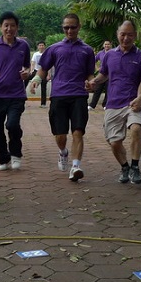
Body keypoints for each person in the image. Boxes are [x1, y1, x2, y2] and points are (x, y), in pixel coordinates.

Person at [86, 21, 141, 184]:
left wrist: (140, 98)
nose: (126, 38)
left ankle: (135, 167)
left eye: (130, 34)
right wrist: (94, 82)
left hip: (134, 102)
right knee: (114, 142)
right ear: (117, 35)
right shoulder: (110, 55)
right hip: (113, 104)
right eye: (123, 34)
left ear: (135, 36)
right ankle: (125, 166)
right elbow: (104, 74)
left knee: (137, 129)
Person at [31, 13, 95, 181]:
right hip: (59, 95)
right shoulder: (54, 48)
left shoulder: (87, 50)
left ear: (78, 27)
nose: (69, 30)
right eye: (66, 27)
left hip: (79, 96)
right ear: (63, 28)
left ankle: (75, 167)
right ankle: (63, 152)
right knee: (60, 135)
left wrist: (91, 82)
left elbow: (89, 74)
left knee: (78, 132)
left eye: (73, 27)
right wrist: (36, 80)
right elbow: (43, 68)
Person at [0, 11, 31, 170]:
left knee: (12, 124)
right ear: (1, 27)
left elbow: (27, 66)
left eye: (13, 25)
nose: (9, 29)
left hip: (16, 94)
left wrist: (27, 73)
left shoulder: (23, 45)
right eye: (6, 25)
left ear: (17, 28)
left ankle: (16, 154)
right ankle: (3, 158)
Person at [88, 40, 112, 110]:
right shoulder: (100, 53)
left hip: (110, 75)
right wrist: (97, 68)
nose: (107, 46)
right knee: (98, 89)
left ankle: (105, 105)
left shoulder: (113, 53)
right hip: (101, 74)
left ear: (110, 45)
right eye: (105, 44)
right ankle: (92, 105)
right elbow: (93, 60)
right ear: (103, 45)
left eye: (108, 44)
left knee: (108, 90)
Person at [30, 41, 50, 107]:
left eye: (42, 45)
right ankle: (22, 97)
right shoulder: (35, 54)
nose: (41, 47)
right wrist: (31, 70)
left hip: (44, 71)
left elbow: (50, 65)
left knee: (43, 87)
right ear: (38, 46)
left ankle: (43, 103)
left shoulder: (47, 54)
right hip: (36, 71)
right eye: (40, 45)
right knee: (26, 79)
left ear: (44, 46)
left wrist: (48, 74)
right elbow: (33, 63)